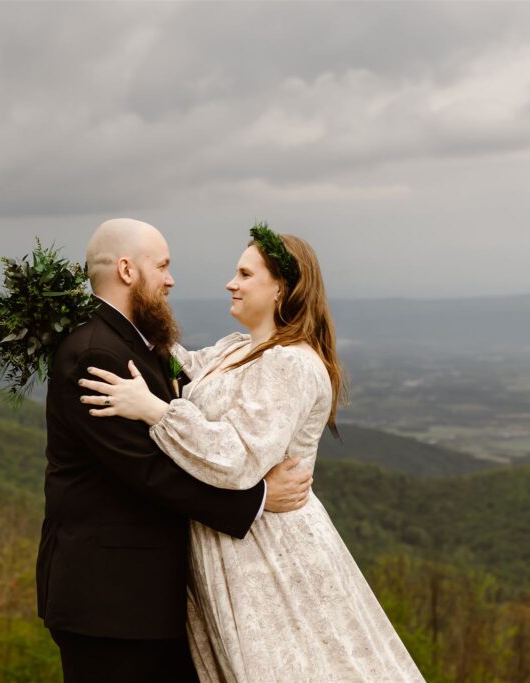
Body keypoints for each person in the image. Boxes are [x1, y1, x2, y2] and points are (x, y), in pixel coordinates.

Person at [79, 224, 426, 681]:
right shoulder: (237, 349)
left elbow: (238, 458)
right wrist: (88, 312)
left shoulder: (291, 363)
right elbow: (172, 360)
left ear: (281, 288)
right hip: (233, 547)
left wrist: (155, 412)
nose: (231, 283)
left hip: (271, 558)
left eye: (245, 274)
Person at [36, 218, 314, 683]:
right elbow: (149, 471)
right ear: (127, 270)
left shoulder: (133, 342)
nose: (170, 279)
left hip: (140, 600)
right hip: (109, 600)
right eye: (162, 267)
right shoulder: (95, 353)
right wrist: (258, 499)